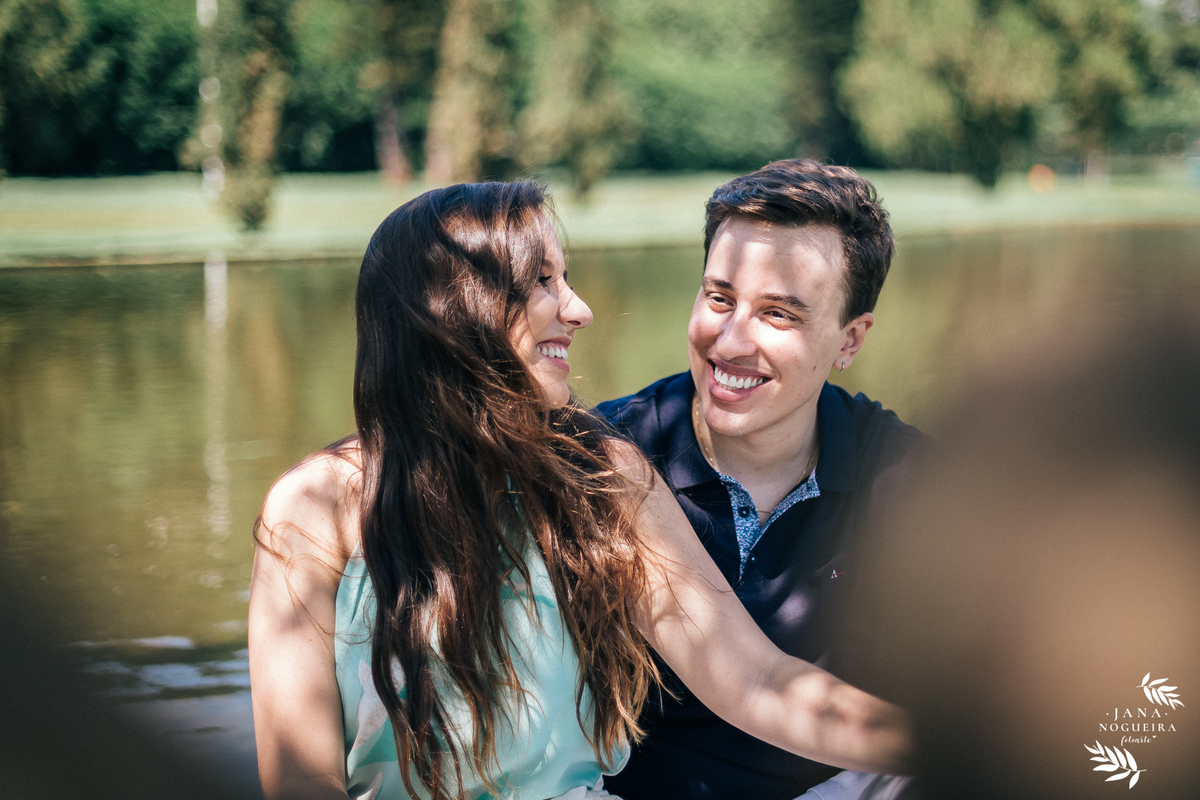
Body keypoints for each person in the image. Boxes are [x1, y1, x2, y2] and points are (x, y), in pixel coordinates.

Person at [248, 181, 912, 800]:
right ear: (455, 305)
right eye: (544, 280)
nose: (580, 309)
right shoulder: (311, 510)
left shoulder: (602, 475)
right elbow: (301, 780)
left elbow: (756, 680)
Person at [597, 160, 925, 800]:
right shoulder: (609, 455)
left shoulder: (903, 473)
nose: (730, 342)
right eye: (719, 298)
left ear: (850, 341)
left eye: (778, 314)